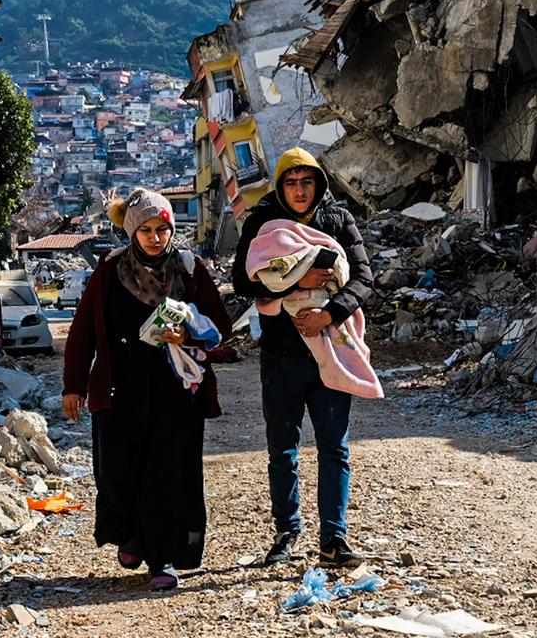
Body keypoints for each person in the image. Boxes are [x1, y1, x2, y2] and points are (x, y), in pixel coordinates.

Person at [61, 188, 232, 591]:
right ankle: (132, 537)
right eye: (146, 230)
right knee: (119, 472)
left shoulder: (190, 270)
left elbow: (220, 326)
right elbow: (83, 329)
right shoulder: (109, 271)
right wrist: (74, 385)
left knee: (167, 473)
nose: (155, 238)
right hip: (120, 388)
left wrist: (187, 333)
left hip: (175, 390)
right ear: (132, 233)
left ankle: (162, 558)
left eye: (163, 229)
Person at [232, 148, 374, 568]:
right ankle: (286, 531)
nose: (299, 190)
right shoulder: (261, 221)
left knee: (335, 447)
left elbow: (364, 277)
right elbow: (242, 278)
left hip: (331, 346)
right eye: (291, 183)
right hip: (281, 354)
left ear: (319, 184)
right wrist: (295, 280)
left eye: (306, 182)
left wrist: (329, 312)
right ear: (280, 186)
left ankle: (334, 538)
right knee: (283, 449)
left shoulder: (338, 220)